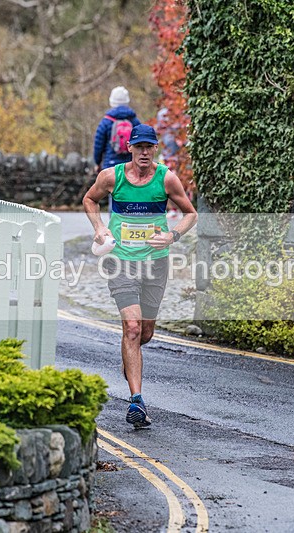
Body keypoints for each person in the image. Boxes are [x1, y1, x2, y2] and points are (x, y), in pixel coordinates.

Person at [83, 124, 197, 428]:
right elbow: (89, 200)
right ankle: (136, 401)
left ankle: (129, 353)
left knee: (144, 334)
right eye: (139, 147)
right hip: (120, 261)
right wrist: (99, 228)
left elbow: (191, 214)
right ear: (130, 148)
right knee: (132, 328)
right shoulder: (112, 177)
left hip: (155, 264)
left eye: (149, 147)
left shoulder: (166, 179)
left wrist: (171, 236)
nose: (144, 152)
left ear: (155, 149)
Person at [93, 86, 141, 174]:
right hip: (131, 166)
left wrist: (97, 162)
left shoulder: (106, 121)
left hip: (111, 165)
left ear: (111, 101)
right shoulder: (134, 121)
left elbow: (98, 145)